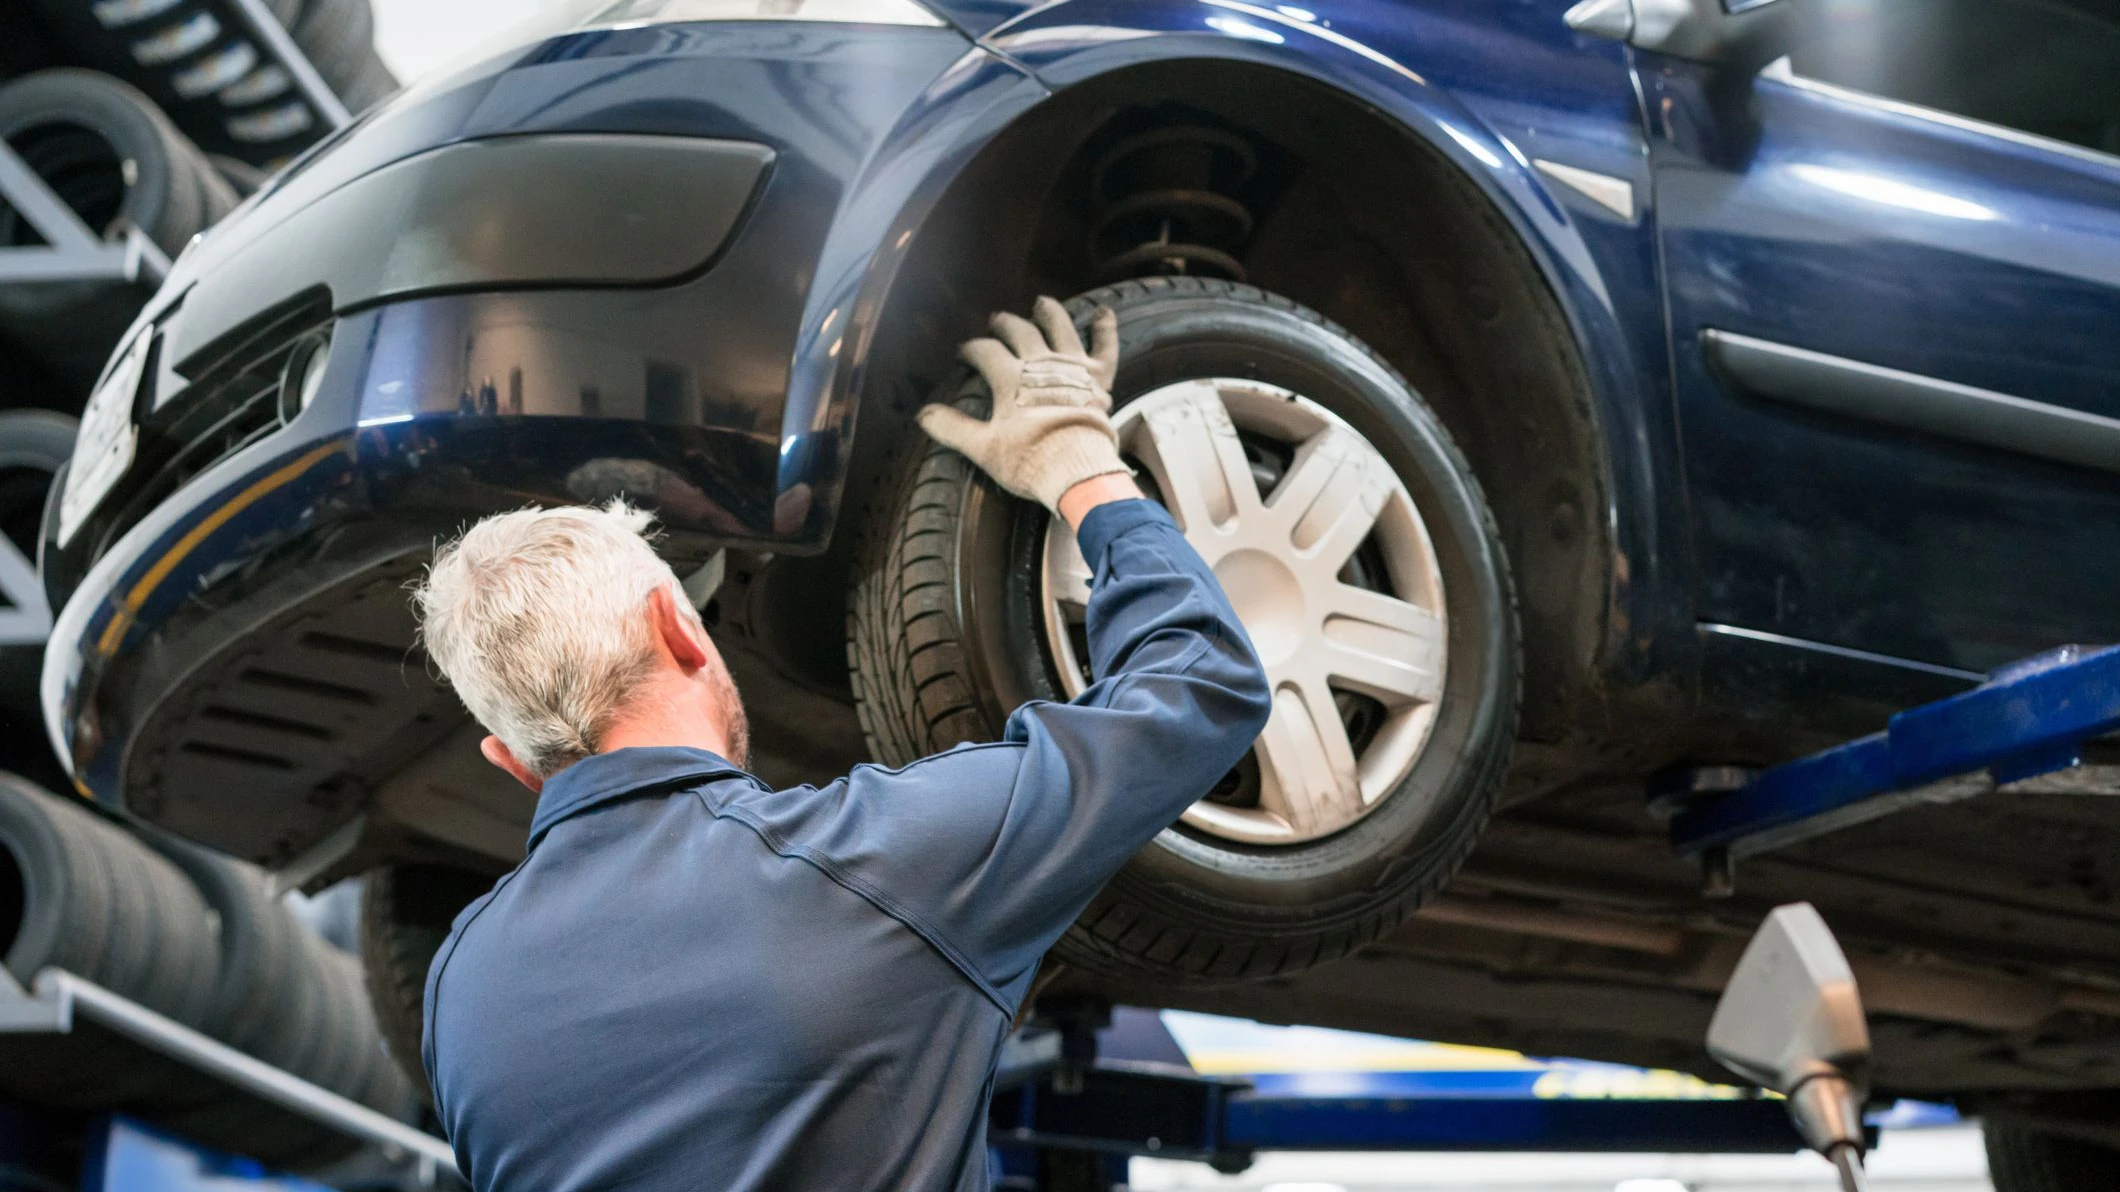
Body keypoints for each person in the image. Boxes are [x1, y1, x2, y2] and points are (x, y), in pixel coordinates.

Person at [414, 298, 1272, 1191]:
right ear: (676, 626)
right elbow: (1203, 682)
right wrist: (1085, 471)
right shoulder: (878, 864)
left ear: (509, 760)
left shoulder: (461, 993)